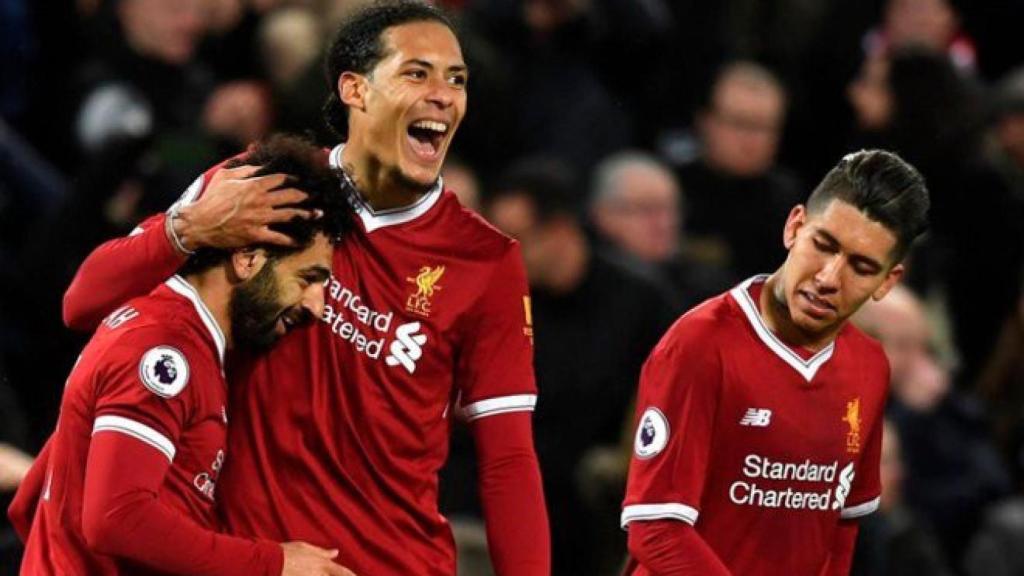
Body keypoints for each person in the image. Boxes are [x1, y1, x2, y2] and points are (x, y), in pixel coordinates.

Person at [60, 2, 550, 574]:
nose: (444, 93)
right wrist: (188, 227)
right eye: (417, 73)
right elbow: (83, 303)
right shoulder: (261, 183)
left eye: (457, 79)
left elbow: (508, 460)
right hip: (254, 560)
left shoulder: (485, 261)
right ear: (355, 89)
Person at [9, 135, 353, 576]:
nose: (317, 306)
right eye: (308, 277)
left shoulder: (177, 333)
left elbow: (30, 502)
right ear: (247, 257)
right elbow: (116, 517)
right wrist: (274, 563)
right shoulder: (167, 349)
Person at [621, 149, 930, 575]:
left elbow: (842, 528)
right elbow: (656, 529)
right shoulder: (699, 345)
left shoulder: (869, 366)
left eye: (860, 267)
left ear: (887, 282)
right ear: (794, 226)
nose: (827, 278)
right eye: (823, 245)